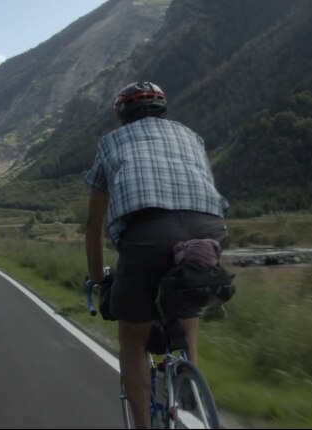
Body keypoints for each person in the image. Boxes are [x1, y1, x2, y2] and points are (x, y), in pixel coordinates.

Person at [83, 81, 229, 428]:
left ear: (122, 114)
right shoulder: (191, 137)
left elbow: (93, 224)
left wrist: (99, 277)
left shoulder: (111, 142)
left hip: (147, 233)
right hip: (208, 228)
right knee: (186, 293)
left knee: (133, 338)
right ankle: (190, 380)